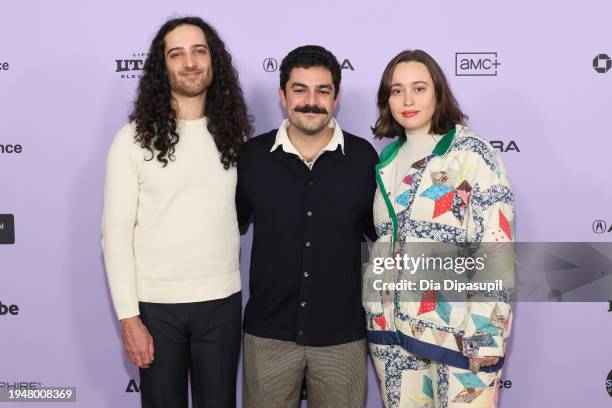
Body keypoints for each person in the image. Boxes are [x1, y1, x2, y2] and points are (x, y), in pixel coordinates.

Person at [101, 16, 251, 408]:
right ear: (161, 66)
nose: (190, 62)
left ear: (212, 61)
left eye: (199, 51)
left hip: (222, 302)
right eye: (177, 53)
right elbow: (115, 235)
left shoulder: (234, 136)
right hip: (155, 308)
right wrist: (129, 318)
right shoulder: (131, 139)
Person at [364, 50, 515, 407]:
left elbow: (495, 246)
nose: (408, 100)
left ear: (438, 93)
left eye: (419, 88)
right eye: (396, 90)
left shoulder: (471, 154)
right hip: (391, 334)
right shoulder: (386, 161)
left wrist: (486, 335)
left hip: (459, 337)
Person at [236, 45, 379, 408]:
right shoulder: (252, 158)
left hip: (342, 339)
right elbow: (223, 230)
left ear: (337, 97)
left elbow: (384, 239)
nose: (311, 101)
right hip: (267, 338)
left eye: (322, 90)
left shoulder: (364, 159)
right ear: (283, 96)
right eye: (300, 89)